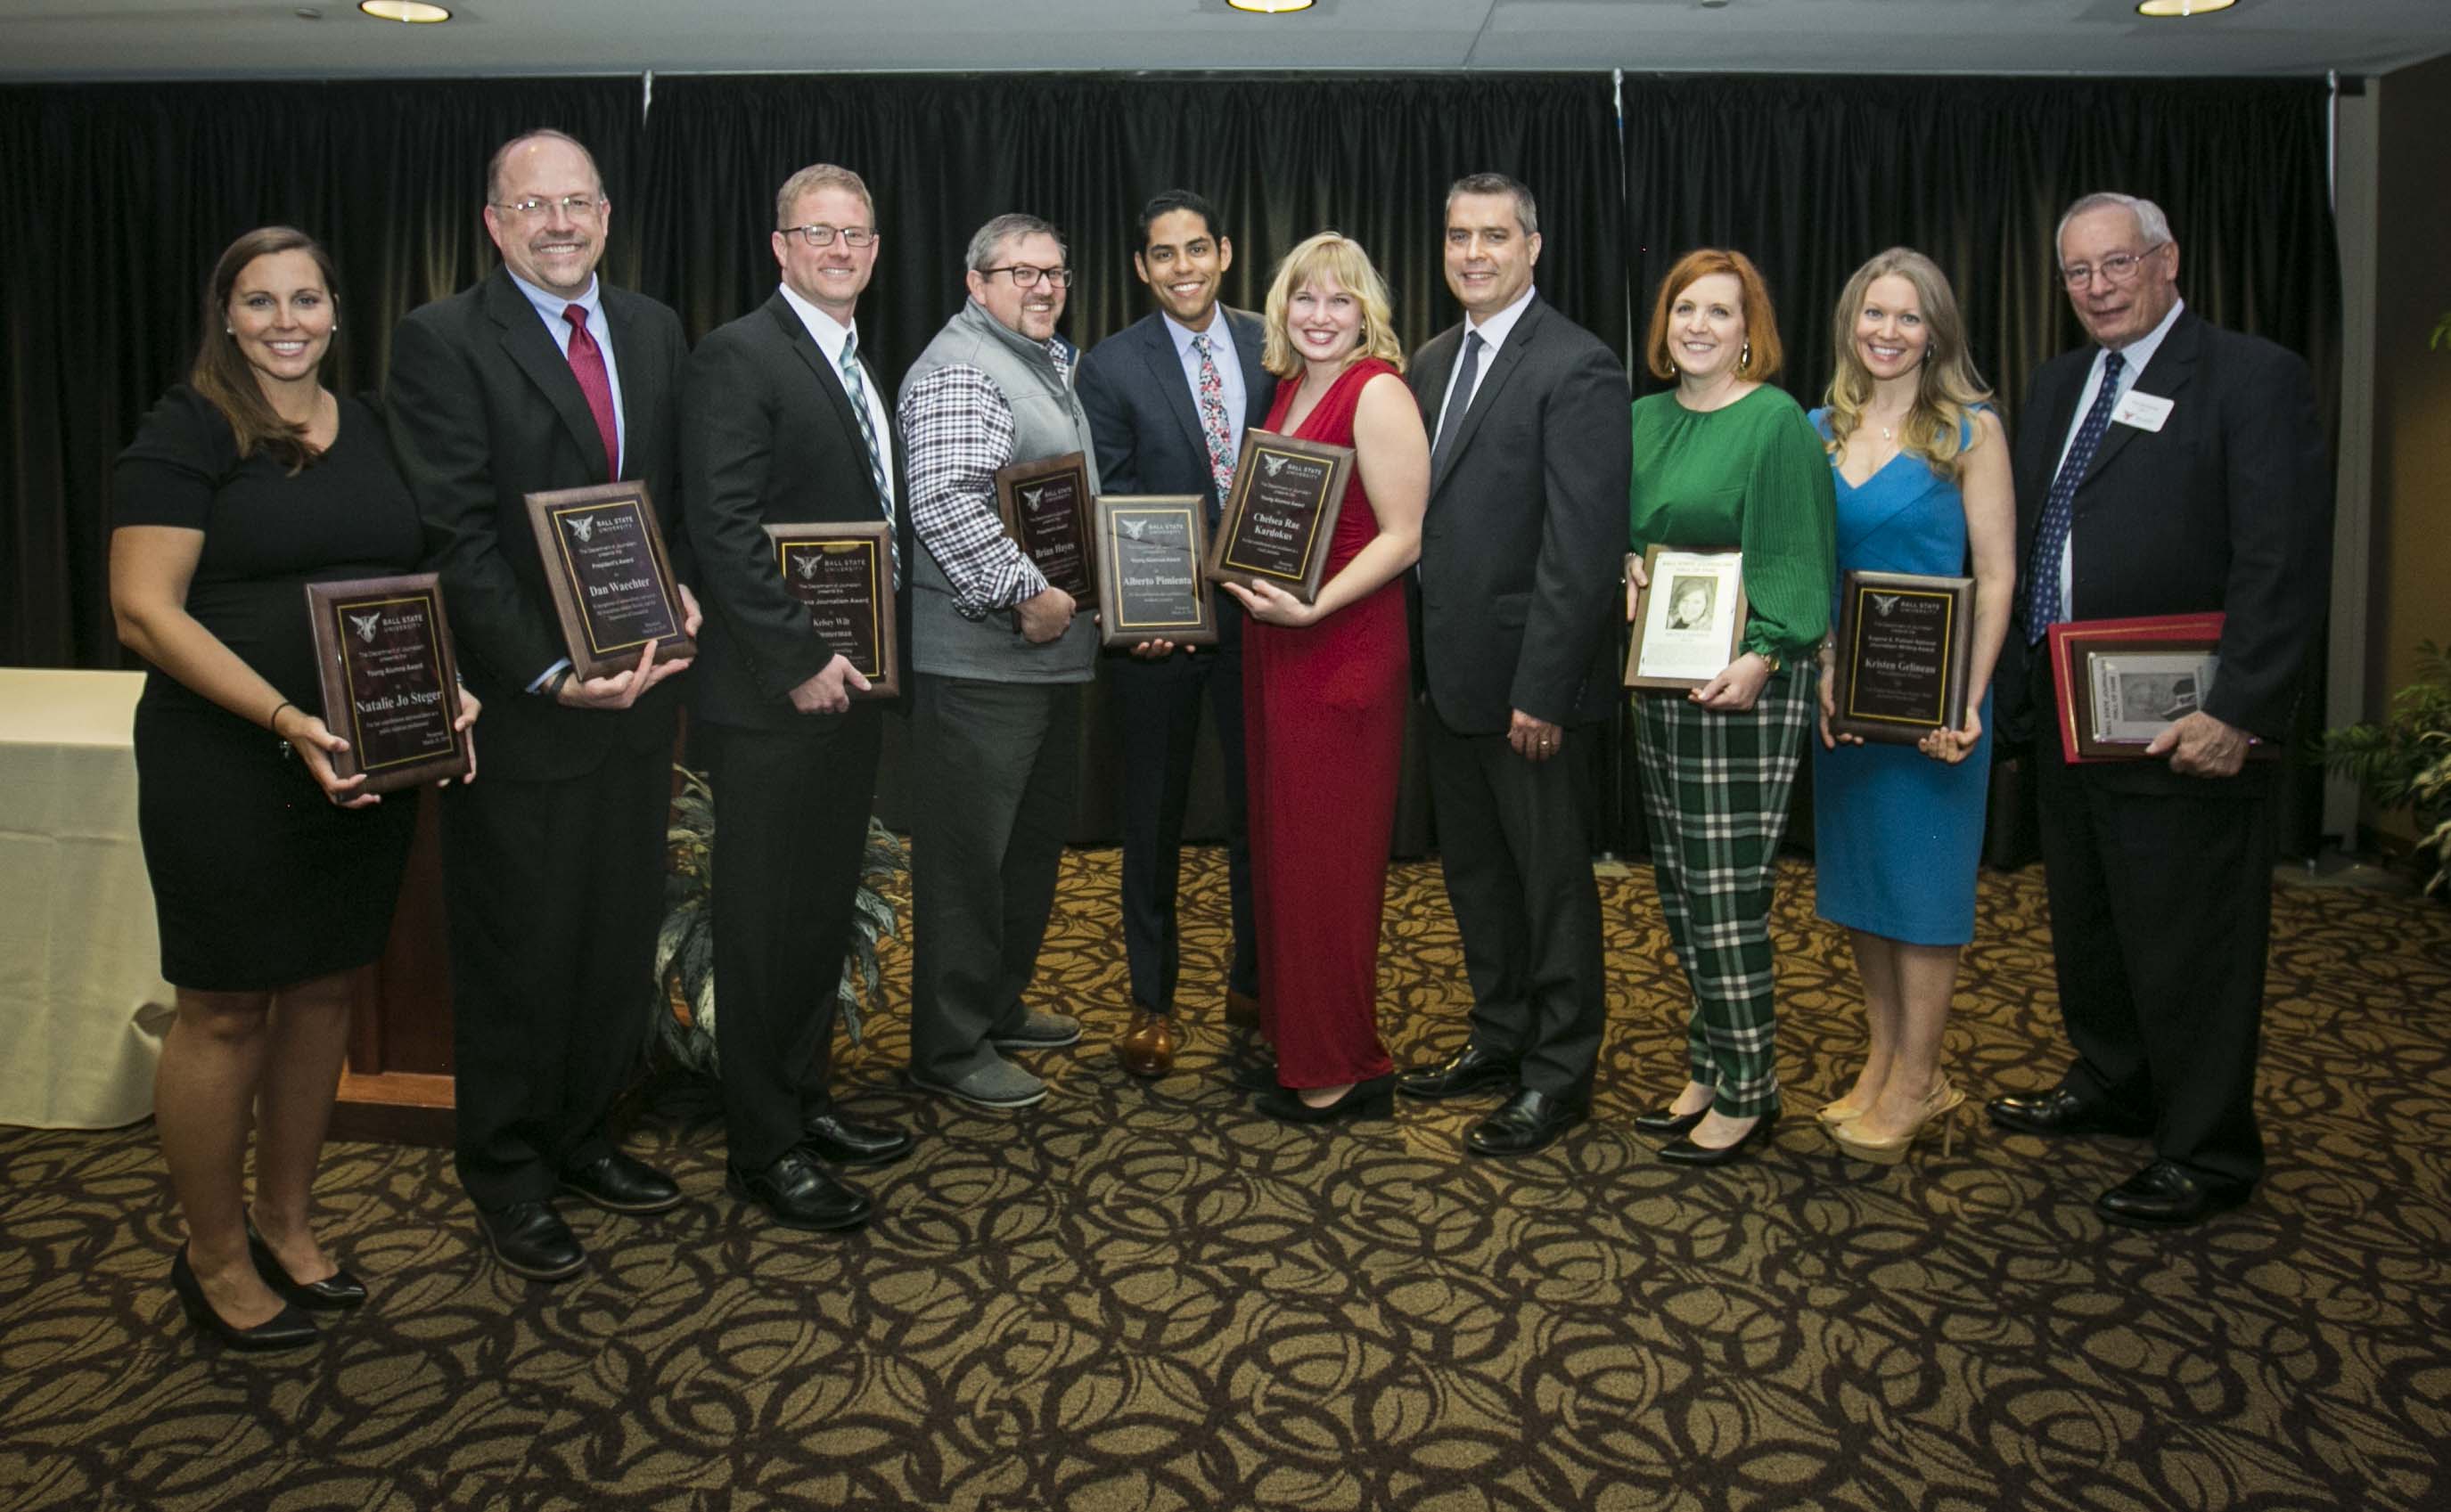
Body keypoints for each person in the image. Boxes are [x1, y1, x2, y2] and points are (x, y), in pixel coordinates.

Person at [111, 225, 481, 1349]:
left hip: (355, 762)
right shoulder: (187, 429)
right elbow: (144, 611)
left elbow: (406, 579)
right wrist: (284, 718)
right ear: (227, 315)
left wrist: (444, 687)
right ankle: (213, 1254)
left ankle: (287, 1221)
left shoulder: (367, 423)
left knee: (326, 993)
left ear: (333, 310)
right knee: (223, 1010)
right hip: (226, 762)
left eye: (306, 299)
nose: (286, 322)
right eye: (261, 302)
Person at [388, 129, 701, 1280]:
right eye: (534, 206)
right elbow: (455, 539)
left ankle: (582, 1132)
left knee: (614, 928)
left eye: (577, 203)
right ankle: (509, 1170)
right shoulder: (441, 341)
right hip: (524, 710)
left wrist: (679, 593)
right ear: (494, 221)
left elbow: (653, 502)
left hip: (638, 697)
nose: (559, 223)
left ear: (607, 216)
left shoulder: (656, 330)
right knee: (518, 944)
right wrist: (551, 671)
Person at [1990, 192, 2330, 1226]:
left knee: (2191, 939)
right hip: (2068, 714)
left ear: (2165, 260)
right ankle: (2114, 1082)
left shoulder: (2249, 377)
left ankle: (2206, 1148)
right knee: (2088, 923)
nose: (2095, 288)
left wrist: (2240, 708)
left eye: (2115, 265)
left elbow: (2280, 560)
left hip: (2186, 727)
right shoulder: (2058, 383)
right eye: (2076, 273)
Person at [681, 163, 916, 1232]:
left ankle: (805, 1097)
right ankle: (760, 1145)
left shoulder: (857, 363)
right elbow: (720, 529)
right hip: (774, 698)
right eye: (815, 232)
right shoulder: (740, 355)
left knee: (819, 907)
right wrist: (798, 658)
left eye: (855, 234)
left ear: (874, 249)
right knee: (762, 919)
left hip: (850, 689)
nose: (838, 249)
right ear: (777, 245)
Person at [1398, 174, 1628, 1156]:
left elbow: (1580, 548)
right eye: (1458, 236)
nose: (1474, 253)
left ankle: (1558, 1071)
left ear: (1534, 245)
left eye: (1494, 236)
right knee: (1477, 880)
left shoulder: (1577, 365)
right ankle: (1498, 1035)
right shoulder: (1430, 358)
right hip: (1446, 675)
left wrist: (1543, 688)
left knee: (1549, 884)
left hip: (1527, 685)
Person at [1626, 249, 1835, 1166]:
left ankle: (1751, 1086)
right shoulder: (1640, 418)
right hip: (1659, 681)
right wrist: (1623, 566)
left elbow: (1795, 549)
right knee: (1681, 888)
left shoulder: (1774, 421)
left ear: (1749, 331)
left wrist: (1762, 654)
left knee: (1725, 892)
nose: (1697, 325)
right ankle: (1710, 1062)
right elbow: (1627, 530)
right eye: (1683, 309)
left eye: (1718, 311)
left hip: (1747, 681)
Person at [1807, 247, 2014, 1165]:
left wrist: (1965, 697)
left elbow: (1998, 574)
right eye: (1872, 314)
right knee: (1862, 889)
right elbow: (1808, 568)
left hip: (1937, 710)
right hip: (1849, 701)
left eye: (1906, 317)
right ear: (1850, 323)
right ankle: (1885, 1057)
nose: (1886, 333)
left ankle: (1921, 1074)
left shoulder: (1968, 431)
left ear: (1936, 330)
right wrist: (1820, 669)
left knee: (1924, 895)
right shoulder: (1817, 429)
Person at [896, 212, 1100, 1110]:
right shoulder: (962, 365)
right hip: (982, 667)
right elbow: (942, 499)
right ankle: (948, 1045)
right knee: (967, 865)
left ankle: (994, 1003)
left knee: (1024, 853)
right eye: (1019, 272)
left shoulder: (1042, 360)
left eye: (1053, 271)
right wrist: (1027, 591)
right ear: (975, 284)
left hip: (1043, 663)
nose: (1042, 286)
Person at [1227, 232, 1430, 1124]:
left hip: (1340, 645)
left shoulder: (1375, 391)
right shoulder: (1286, 387)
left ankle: (1344, 1062)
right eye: (1304, 298)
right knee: (1286, 855)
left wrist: (1312, 609)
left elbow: (1403, 535)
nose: (1319, 316)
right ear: (1281, 308)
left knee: (1329, 865)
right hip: (1277, 643)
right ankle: (1301, 1037)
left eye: (1338, 301)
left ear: (1364, 313)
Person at [1076, 190, 1275, 1078]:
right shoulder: (1109, 367)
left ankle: (1252, 978)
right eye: (1164, 254)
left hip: (1269, 619)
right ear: (1140, 267)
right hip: (1160, 633)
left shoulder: (1276, 344)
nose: (1183, 267)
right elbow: (1110, 496)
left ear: (1225, 253)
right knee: (1149, 818)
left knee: (1257, 812)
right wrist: (1141, 610)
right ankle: (1150, 1001)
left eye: (1198, 249)